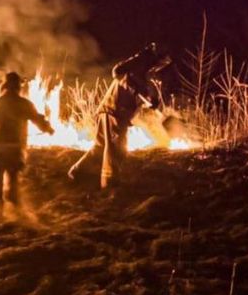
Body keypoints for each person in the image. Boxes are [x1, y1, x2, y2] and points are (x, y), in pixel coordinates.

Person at [67, 43, 171, 189]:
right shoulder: (138, 65)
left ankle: (77, 173)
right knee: (116, 149)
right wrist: (137, 91)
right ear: (157, 58)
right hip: (115, 112)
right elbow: (118, 73)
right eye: (163, 60)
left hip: (109, 110)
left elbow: (138, 92)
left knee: (100, 147)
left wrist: (150, 100)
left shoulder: (144, 71)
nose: (163, 65)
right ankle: (110, 185)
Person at [0, 71, 54, 215]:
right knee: (12, 181)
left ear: (4, 85)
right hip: (16, 149)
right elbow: (37, 119)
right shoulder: (24, 104)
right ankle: (14, 212)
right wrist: (48, 128)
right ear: (18, 87)